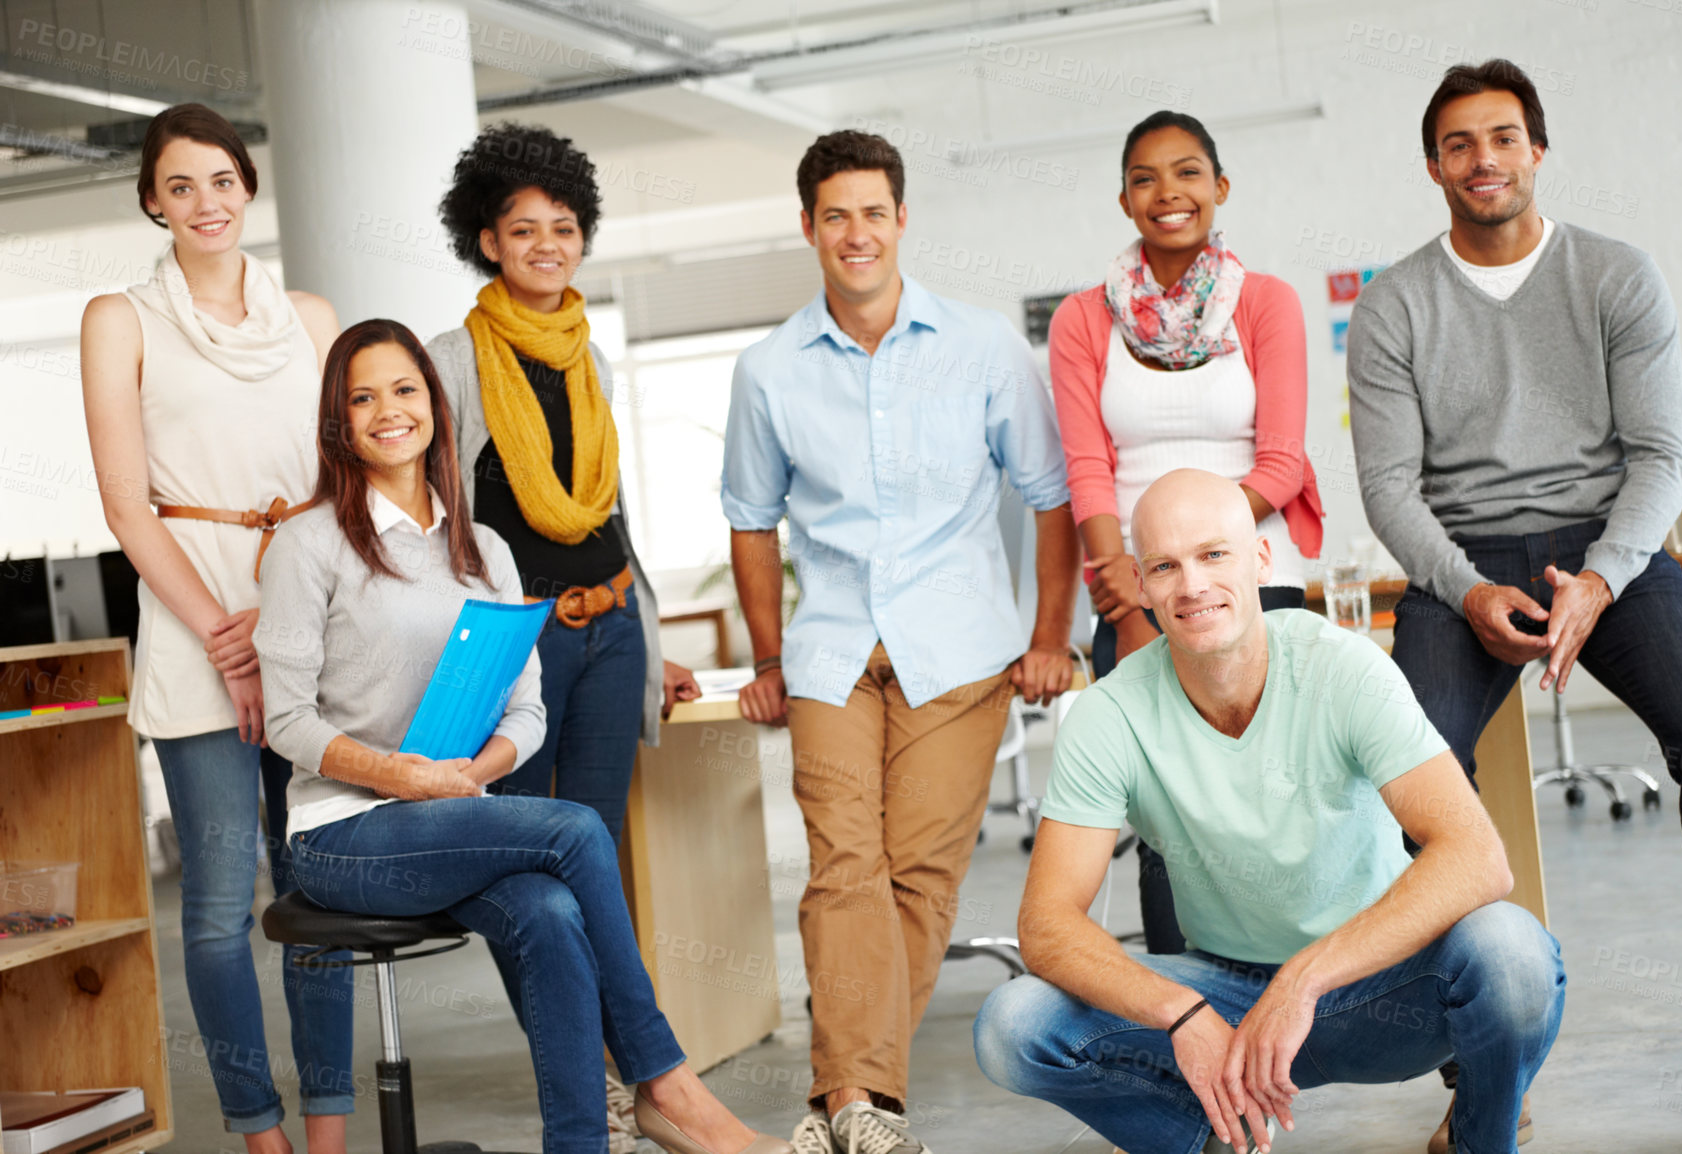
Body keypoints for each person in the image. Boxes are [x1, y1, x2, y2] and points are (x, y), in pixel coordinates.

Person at [256, 318, 792, 1154]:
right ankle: (670, 1086)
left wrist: (472, 772)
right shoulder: (308, 544)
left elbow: (526, 716)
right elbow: (287, 721)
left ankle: (580, 1143)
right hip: (346, 833)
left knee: (546, 909)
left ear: (434, 405)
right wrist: (403, 777)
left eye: (405, 390)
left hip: (449, 811)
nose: (387, 411)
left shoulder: (484, 549)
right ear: (339, 422)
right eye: (362, 397)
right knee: (575, 827)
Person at [1347, 58, 1682, 1132]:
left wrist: (1602, 578)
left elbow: (1660, 453)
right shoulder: (1393, 307)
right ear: (1433, 165)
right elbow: (1388, 488)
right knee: (1414, 775)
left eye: (1503, 137)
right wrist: (1467, 593)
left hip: (1607, 546)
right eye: (1460, 143)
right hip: (1459, 562)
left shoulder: (1615, 275)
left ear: (1536, 151)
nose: (1484, 159)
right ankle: (1482, 1081)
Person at [972, 469, 1565, 1154]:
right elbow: (1046, 925)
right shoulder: (1109, 714)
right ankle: (1211, 1134)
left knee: (1512, 953)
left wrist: (1304, 980)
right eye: (1165, 566)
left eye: (1213, 554)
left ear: (1260, 560)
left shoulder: (1343, 669)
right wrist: (1181, 1012)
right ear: (1139, 585)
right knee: (1012, 1025)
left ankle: (1478, 1142)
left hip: (1376, 986)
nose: (1192, 585)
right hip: (1223, 995)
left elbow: (1476, 858)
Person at [721, 129, 1080, 1154]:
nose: (855, 232)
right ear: (808, 228)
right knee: (844, 866)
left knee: (919, 875)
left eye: (872, 211)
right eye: (834, 214)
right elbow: (751, 517)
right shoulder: (769, 369)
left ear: (901, 219)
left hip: (959, 651)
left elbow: (1049, 497)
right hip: (831, 650)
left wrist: (1049, 634)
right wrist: (766, 656)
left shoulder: (980, 348)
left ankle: (847, 1095)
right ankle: (860, 1105)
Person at [80, 103, 353, 1153]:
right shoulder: (121, 318)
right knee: (216, 906)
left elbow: (344, 481)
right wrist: (224, 632)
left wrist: (283, 623)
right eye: (180, 185)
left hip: (314, 622)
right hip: (193, 623)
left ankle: (327, 1128)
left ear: (249, 188)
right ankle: (259, 1132)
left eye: (223, 181)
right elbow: (124, 503)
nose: (206, 202)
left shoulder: (314, 316)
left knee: (319, 886)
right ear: (152, 198)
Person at [426, 124, 698, 1146]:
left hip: (610, 627)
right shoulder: (451, 360)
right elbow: (440, 515)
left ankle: (626, 1071)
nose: (548, 244)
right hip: (515, 642)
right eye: (524, 228)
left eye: (565, 226)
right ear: (487, 239)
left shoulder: (590, 352)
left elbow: (608, 508)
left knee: (599, 858)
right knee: (527, 875)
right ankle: (586, 1067)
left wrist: (652, 627)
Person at [1049, 109, 1324, 960]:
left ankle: (1289, 999)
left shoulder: (1267, 304)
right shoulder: (1082, 321)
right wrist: (1133, 593)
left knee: (1274, 804)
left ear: (1220, 187)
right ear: (1125, 200)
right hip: (1130, 587)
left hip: (1250, 583)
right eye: (1145, 177)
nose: (1168, 192)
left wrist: (1197, 558)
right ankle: (1188, 1027)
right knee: (1168, 822)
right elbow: (1087, 470)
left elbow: (1280, 463)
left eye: (1188, 171)